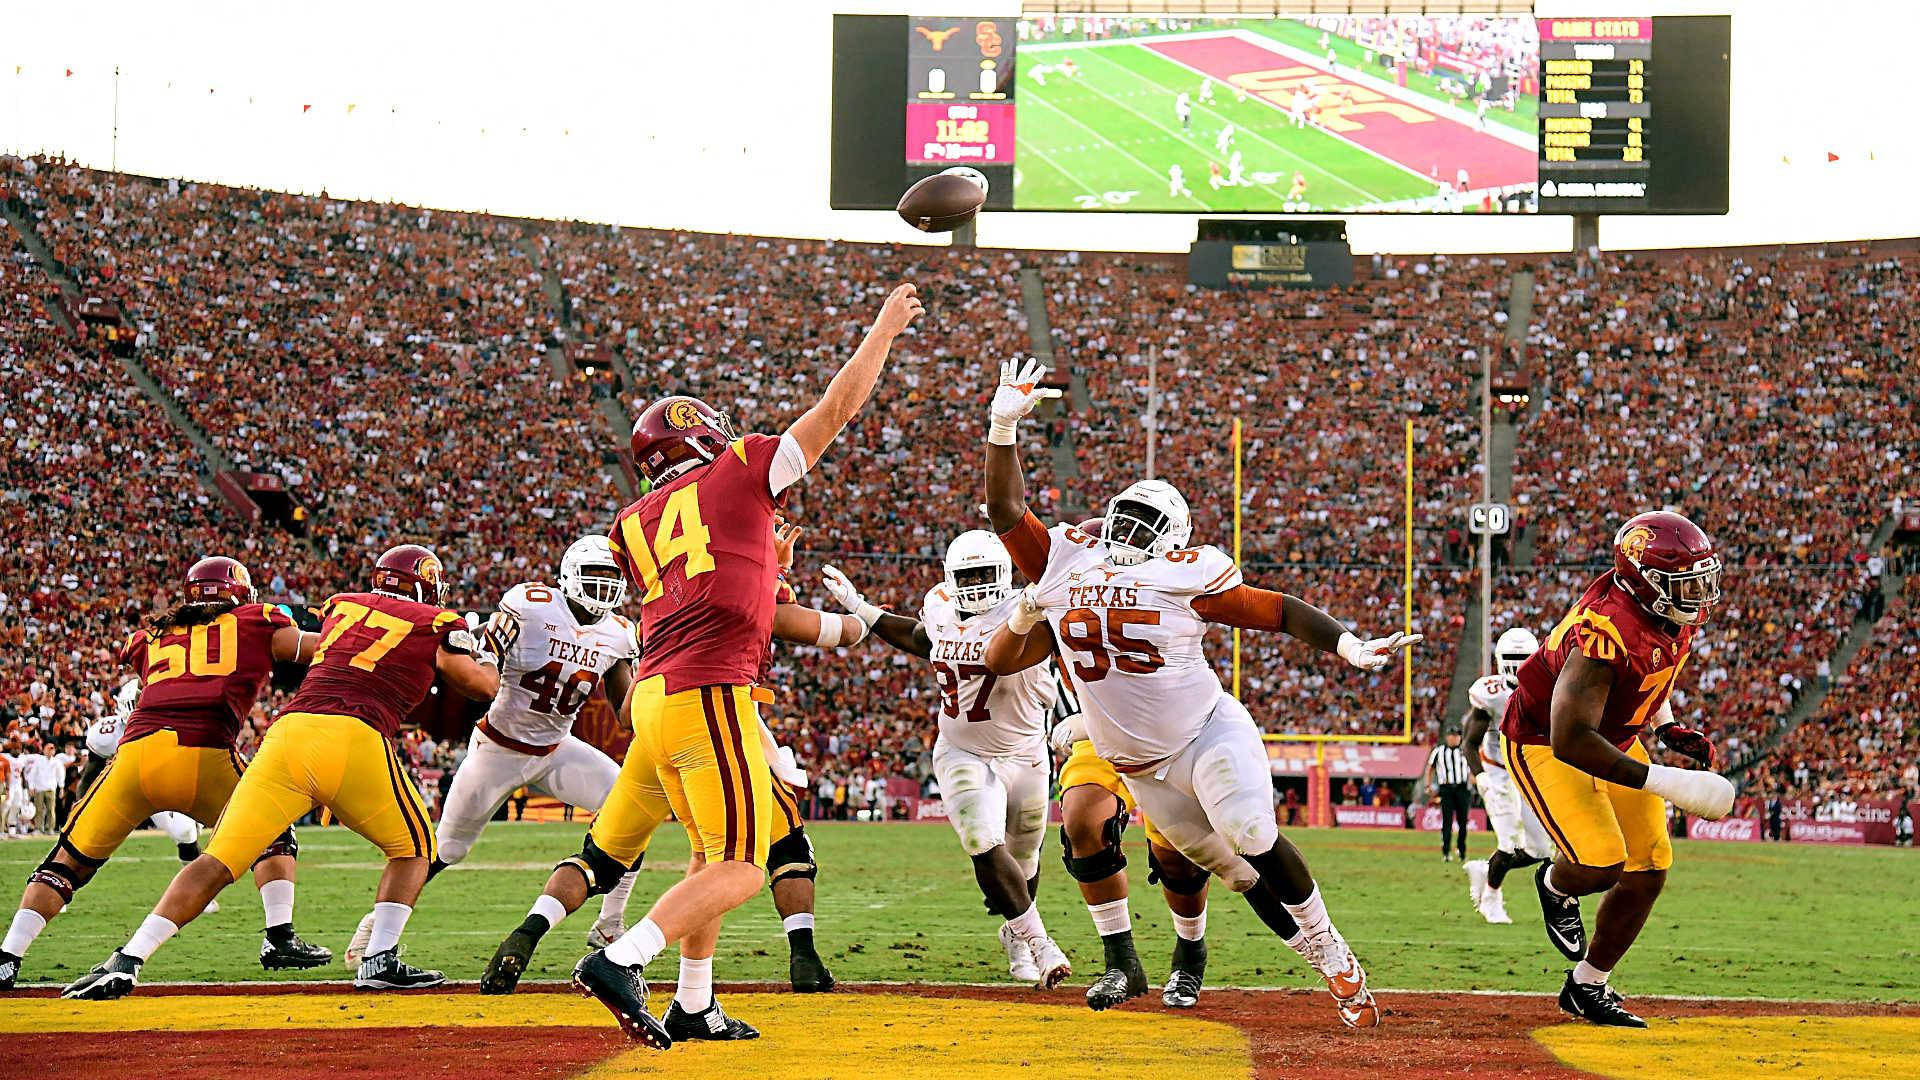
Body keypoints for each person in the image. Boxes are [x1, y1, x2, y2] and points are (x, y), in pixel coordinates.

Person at [980, 358, 1418, 1029]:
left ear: (1174, 539)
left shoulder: (1186, 572)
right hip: (1138, 767)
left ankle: (1332, 951)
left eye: (1145, 523)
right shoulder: (1067, 559)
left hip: (1205, 734)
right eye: (1123, 516)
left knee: (1251, 833)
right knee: (1236, 875)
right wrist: (1003, 427)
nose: (1127, 532)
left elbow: (1274, 608)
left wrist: (1349, 645)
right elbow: (1006, 510)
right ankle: (1303, 956)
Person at [564, 282, 923, 1049]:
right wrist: (886, 326)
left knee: (704, 855)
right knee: (743, 867)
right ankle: (622, 960)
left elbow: (702, 579)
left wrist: (768, 561)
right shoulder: (738, 467)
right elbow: (835, 411)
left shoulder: (629, 520)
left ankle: (696, 1002)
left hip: (654, 698)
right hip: (710, 688)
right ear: (704, 440)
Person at [60, 545, 502, 999]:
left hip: (287, 734)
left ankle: (129, 958)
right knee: (415, 847)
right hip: (354, 735)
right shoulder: (438, 622)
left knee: (219, 859)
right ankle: (379, 959)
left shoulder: (342, 605)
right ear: (427, 583)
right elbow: (478, 685)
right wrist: (487, 652)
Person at [479, 518, 862, 1004]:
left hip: (653, 716)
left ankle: (532, 933)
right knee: (767, 852)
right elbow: (805, 624)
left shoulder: (667, 587)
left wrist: (775, 566)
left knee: (605, 857)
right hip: (710, 716)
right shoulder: (738, 583)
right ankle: (796, 957)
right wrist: (862, 619)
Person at [2, 558, 331, 992]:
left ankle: (8, 957)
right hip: (206, 754)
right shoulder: (257, 620)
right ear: (239, 593)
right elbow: (314, 647)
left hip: (136, 758)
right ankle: (279, 937)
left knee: (65, 865)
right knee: (273, 833)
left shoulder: (151, 635)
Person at [341, 535, 643, 967]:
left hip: (556, 748)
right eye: (595, 575)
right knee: (447, 848)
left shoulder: (618, 634)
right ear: (569, 575)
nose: (604, 586)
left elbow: (626, 712)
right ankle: (376, 924)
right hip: (497, 750)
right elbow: (487, 654)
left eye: (611, 577)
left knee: (630, 811)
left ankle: (610, 923)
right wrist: (480, 646)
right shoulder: (532, 604)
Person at [1502, 512, 1737, 1027]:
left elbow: (1653, 671)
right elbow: (1571, 739)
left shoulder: (1666, 613)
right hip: (1545, 740)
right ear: (1645, 583)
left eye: (1702, 579)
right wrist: (1668, 780)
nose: (1699, 594)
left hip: (1613, 736)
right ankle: (1555, 885)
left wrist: (1667, 725)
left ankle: (1587, 986)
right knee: (1601, 862)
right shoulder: (1604, 632)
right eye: (1686, 582)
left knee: (1650, 864)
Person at [819, 532, 1073, 989]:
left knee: (1026, 855)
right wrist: (860, 606)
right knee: (981, 837)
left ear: (1004, 574)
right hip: (964, 749)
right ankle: (1040, 941)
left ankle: (1015, 934)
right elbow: (919, 639)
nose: (975, 584)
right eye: (966, 575)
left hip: (1026, 750)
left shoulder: (1029, 611)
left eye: (983, 574)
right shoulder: (938, 606)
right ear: (950, 578)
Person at [1460, 628, 1555, 923]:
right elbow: (1469, 742)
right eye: (1512, 658)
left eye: (1522, 658)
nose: (1517, 665)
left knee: (1540, 849)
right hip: (1498, 771)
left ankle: (1486, 870)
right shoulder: (1491, 693)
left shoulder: (1548, 687)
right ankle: (1491, 899)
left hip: (1529, 771)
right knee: (1508, 841)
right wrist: (1481, 776)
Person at [1426, 730, 1472, 862]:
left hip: (1462, 788)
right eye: (1451, 736)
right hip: (1446, 788)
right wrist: (1428, 785)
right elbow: (1430, 768)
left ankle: (1461, 851)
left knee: (1463, 822)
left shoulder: (1465, 750)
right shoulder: (1439, 751)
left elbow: (1473, 767)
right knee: (1447, 821)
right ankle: (1446, 852)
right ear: (1447, 737)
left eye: (1456, 736)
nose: (1453, 738)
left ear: (1460, 737)